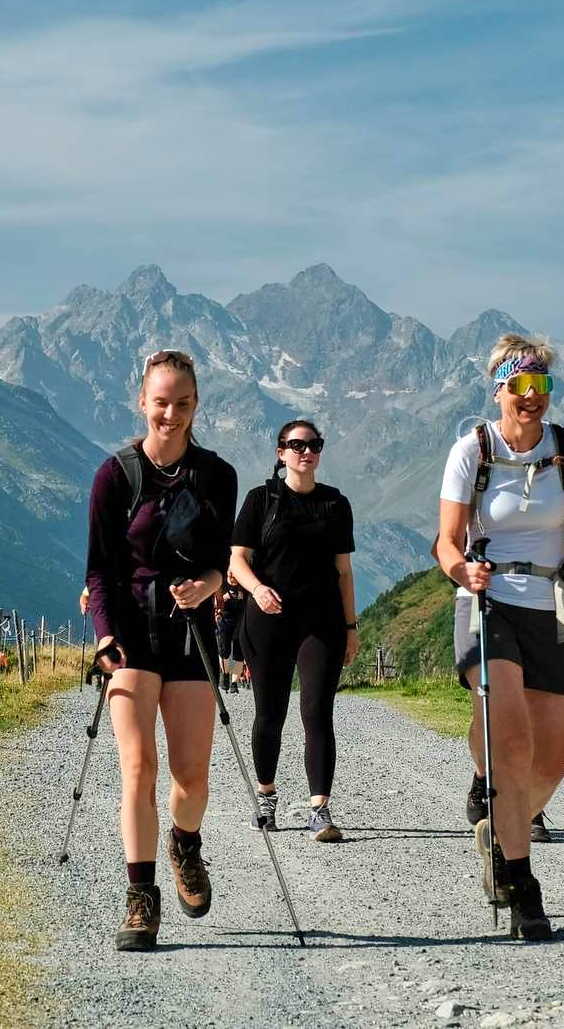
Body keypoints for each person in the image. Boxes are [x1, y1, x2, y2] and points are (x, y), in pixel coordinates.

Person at [435, 335, 564, 939]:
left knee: (552, 758)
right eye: (520, 384)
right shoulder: (472, 450)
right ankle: (521, 882)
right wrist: (462, 571)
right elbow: (446, 542)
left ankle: (498, 821)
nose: (533, 395)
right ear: (498, 389)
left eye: (542, 384)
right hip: (487, 602)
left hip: (553, 604)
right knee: (513, 740)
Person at [84, 349, 239, 952]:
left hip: (190, 635)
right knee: (138, 767)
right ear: (142, 402)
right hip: (130, 633)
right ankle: (140, 897)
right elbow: (99, 570)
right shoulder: (114, 476)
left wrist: (210, 584)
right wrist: (103, 635)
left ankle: (185, 843)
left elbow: (223, 559)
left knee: (191, 778)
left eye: (182, 403)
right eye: (160, 403)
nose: (170, 414)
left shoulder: (217, 476)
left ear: (196, 405)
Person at [230, 420, 358, 843]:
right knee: (270, 713)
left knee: (317, 712)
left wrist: (351, 626)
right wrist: (257, 589)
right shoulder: (261, 499)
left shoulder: (335, 504)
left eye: (314, 445)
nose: (307, 452)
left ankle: (319, 809)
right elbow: (237, 559)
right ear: (281, 452)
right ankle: (266, 796)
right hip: (267, 619)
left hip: (322, 621)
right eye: (298, 445)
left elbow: (343, 572)